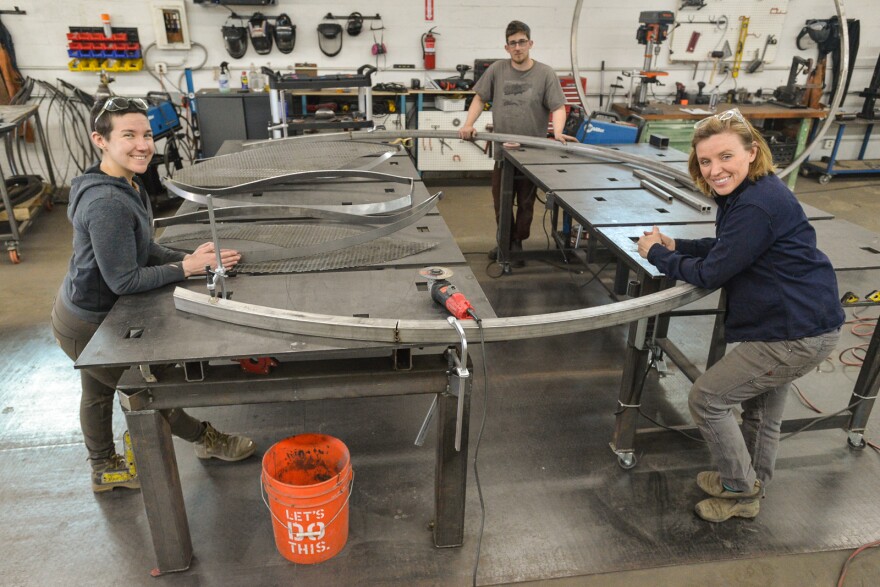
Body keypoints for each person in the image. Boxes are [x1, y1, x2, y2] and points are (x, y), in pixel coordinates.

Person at [636, 108, 843, 523]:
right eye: (707, 161)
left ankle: (740, 491)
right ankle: (752, 481)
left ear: (752, 151)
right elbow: (730, 246)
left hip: (794, 332)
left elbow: (714, 272)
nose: (715, 170)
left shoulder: (755, 204)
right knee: (762, 411)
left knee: (708, 399)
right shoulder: (752, 192)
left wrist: (657, 254)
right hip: (804, 321)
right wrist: (679, 244)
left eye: (725, 157)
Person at [51, 96, 255, 493]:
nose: (143, 144)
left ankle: (102, 468)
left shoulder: (126, 183)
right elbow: (124, 281)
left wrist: (188, 257)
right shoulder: (107, 202)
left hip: (88, 310)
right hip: (89, 322)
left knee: (99, 391)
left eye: (146, 134)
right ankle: (204, 440)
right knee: (146, 392)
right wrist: (185, 269)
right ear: (100, 140)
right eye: (128, 135)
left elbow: (143, 248)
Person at [458, 20, 572, 263]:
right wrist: (469, 124)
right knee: (501, 201)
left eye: (522, 42)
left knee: (526, 202)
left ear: (530, 43)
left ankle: (517, 243)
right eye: (513, 43)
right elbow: (479, 99)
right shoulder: (497, 70)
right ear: (506, 47)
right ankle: (504, 242)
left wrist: (558, 131)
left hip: (531, 153)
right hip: (503, 153)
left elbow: (558, 106)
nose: (518, 47)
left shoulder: (545, 73)